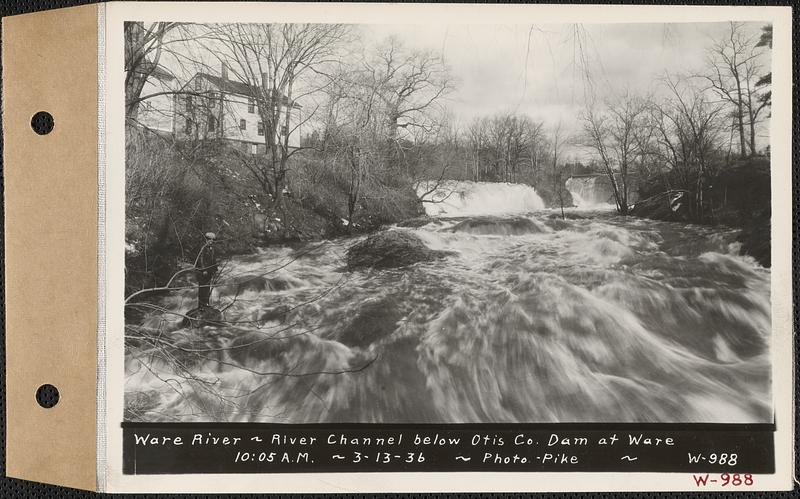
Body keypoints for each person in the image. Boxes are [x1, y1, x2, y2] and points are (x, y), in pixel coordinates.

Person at [196, 232, 218, 308]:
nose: (211, 241)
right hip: (201, 272)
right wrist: (203, 269)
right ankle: (201, 306)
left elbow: (213, 260)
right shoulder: (202, 248)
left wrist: (215, 270)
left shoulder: (212, 248)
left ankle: (206, 304)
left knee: (207, 288)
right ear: (206, 239)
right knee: (202, 289)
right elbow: (200, 259)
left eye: (213, 239)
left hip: (209, 272)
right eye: (209, 239)